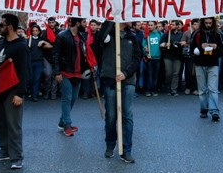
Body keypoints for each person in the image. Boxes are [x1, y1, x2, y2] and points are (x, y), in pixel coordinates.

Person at [93, 20, 142, 163]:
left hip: (127, 81)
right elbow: (97, 47)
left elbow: (137, 57)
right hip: (110, 79)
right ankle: (110, 144)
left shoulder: (132, 36)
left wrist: (126, 73)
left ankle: (126, 150)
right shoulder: (106, 35)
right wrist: (110, 22)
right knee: (111, 116)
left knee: (127, 116)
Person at [0, 14, 30, 168]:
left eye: (2, 24)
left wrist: (20, 94)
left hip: (12, 89)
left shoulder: (21, 46)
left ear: (10, 26)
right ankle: (4, 150)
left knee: (13, 124)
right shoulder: (1, 42)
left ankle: (16, 156)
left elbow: (24, 72)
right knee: (0, 123)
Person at [52, 17, 90, 136]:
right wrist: (57, 72)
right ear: (78, 23)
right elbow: (55, 55)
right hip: (65, 72)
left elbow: (85, 53)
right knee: (67, 98)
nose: (86, 24)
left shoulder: (82, 36)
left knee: (73, 99)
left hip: (77, 73)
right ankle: (67, 125)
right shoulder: (62, 36)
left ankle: (62, 122)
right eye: (84, 22)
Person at [190, 17, 223, 122]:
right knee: (202, 90)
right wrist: (199, 48)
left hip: (213, 64)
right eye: (206, 23)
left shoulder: (218, 34)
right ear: (203, 23)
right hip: (200, 64)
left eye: (210, 23)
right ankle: (204, 109)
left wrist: (215, 47)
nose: (208, 25)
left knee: (213, 88)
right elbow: (192, 48)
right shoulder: (197, 33)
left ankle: (214, 111)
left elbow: (222, 50)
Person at [160, 20, 184, 96]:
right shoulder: (167, 34)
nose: (171, 26)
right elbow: (161, 44)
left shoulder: (181, 35)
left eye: (173, 25)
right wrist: (165, 44)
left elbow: (185, 42)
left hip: (178, 56)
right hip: (168, 56)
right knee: (168, 73)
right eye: (171, 24)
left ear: (177, 26)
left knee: (176, 73)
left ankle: (174, 90)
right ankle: (169, 87)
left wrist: (183, 43)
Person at [142, 21, 162, 97]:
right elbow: (143, 45)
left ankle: (154, 90)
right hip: (150, 58)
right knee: (149, 74)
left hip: (158, 58)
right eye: (149, 25)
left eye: (151, 25)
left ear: (155, 26)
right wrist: (145, 49)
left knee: (155, 75)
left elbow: (163, 42)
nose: (149, 27)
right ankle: (148, 90)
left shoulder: (159, 34)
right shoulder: (146, 34)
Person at [26, 24, 45, 102]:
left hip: (39, 62)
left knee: (37, 78)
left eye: (36, 31)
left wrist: (43, 41)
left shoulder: (41, 40)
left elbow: (49, 46)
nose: (35, 32)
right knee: (31, 78)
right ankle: (31, 91)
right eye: (33, 31)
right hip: (30, 62)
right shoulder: (28, 40)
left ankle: (35, 95)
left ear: (39, 31)